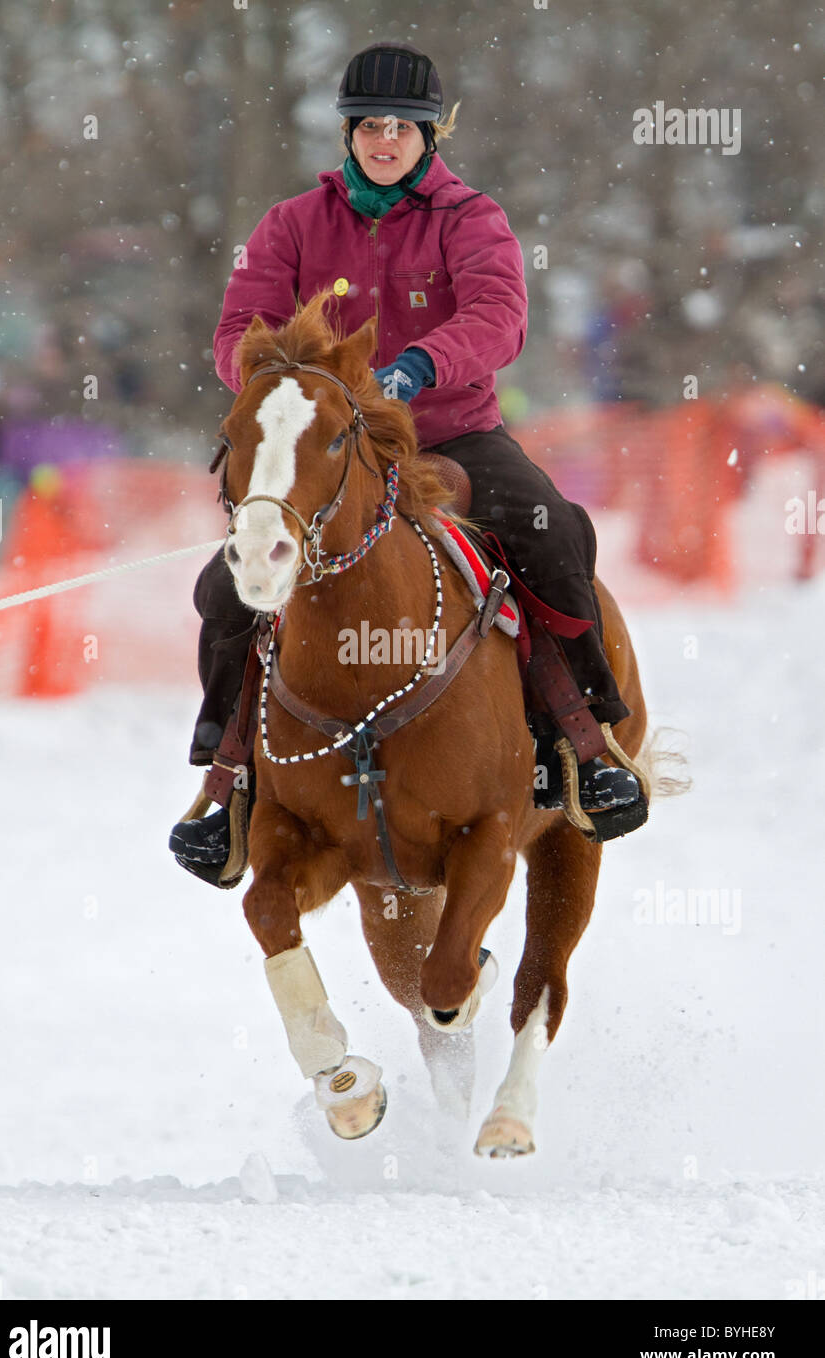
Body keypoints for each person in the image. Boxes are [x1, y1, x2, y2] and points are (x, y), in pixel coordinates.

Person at [170, 40, 642, 880]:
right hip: (328, 449)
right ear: (347, 132)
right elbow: (237, 331)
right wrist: (290, 388)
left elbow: (500, 315)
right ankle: (229, 786)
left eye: (403, 127)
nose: (385, 140)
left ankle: (589, 742)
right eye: (369, 126)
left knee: (553, 532)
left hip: (453, 432)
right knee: (224, 585)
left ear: (432, 134)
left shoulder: (472, 218)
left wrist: (418, 366)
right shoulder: (290, 225)